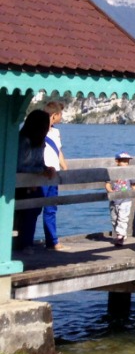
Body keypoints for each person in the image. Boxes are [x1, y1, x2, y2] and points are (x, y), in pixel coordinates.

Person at [13, 109, 59, 251]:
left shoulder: (40, 142)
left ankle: (26, 242)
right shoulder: (24, 141)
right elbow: (19, 165)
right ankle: (24, 243)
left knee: (34, 211)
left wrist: (46, 168)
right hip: (20, 184)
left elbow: (39, 162)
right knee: (26, 212)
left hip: (34, 183)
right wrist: (40, 171)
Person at [41, 101, 68, 248]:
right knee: (34, 208)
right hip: (41, 175)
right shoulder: (39, 132)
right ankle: (26, 243)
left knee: (51, 209)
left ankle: (52, 241)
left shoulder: (56, 132)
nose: (61, 117)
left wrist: (65, 167)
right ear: (54, 115)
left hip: (54, 174)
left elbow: (58, 151)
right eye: (60, 114)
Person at [107, 152, 135, 247]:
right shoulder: (112, 172)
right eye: (124, 161)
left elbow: (134, 186)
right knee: (114, 218)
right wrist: (110, 191)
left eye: (127, 162)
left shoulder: (130, 173)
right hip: (114, 199)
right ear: (117, 161)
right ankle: (120, 234)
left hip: (126, 199)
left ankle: (120, 236)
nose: (126, 164)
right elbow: (107, 184)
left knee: (123, 218)